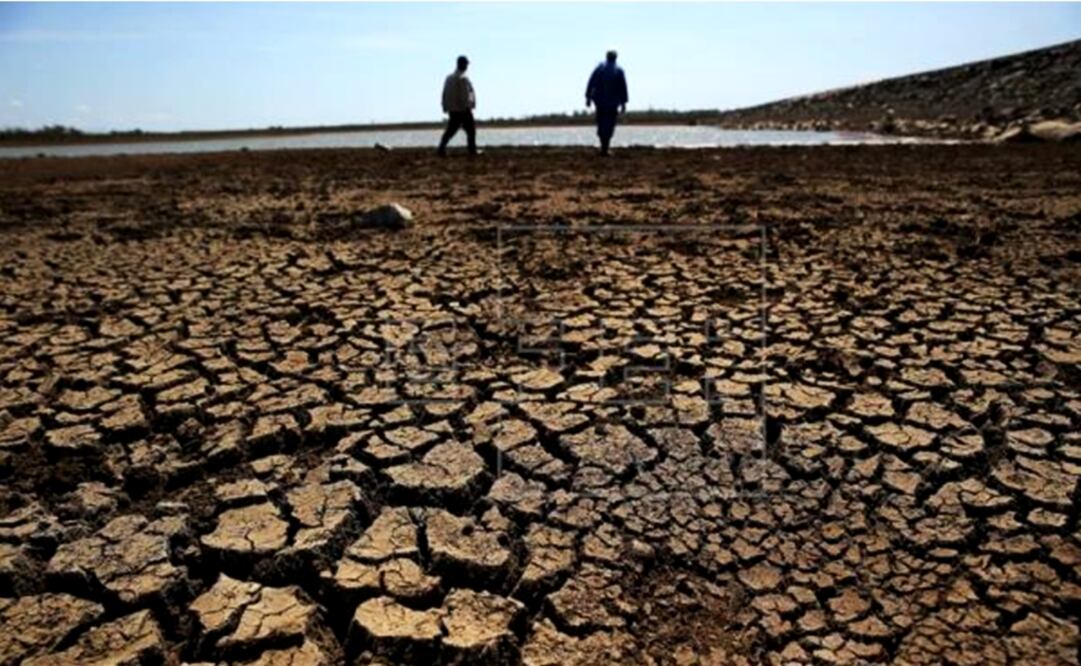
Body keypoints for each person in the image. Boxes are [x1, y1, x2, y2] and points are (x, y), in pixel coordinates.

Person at [585, 50, 628, 155]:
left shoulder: (599, 68)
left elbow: (591, 83)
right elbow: (623, 88)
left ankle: (603, 147)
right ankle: (605, 148)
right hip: (612, 103)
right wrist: (623, 103)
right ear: (615, 58)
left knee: (601, 123)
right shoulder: (619, 70)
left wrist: (588, 97)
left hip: (600, 102)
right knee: (609, 125)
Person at [438, 55, 478, 156]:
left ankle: (441, 148)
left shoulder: (449, 78)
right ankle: (472, 150)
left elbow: (444, 93)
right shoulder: (463, 78)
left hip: (453, 110)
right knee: (471, 130)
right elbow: (465, 95)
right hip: (462, 110)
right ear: (462, 64)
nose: (467, 66)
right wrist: (468, 106)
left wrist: (445, 106)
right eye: (466, 64)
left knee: (451, 130)